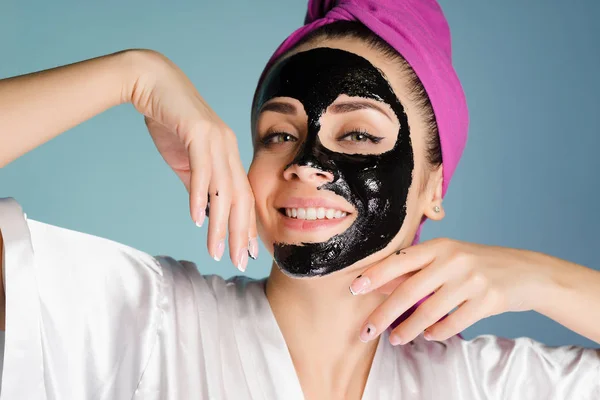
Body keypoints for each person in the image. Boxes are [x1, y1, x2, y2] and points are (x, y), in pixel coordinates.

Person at [1, 0, 599, 399]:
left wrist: (541, 280)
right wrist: (132, 75)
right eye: (279, 135)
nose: (307, 165)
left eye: (359, 134)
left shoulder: (489, 385)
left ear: (433, 187)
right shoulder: (145, 319)